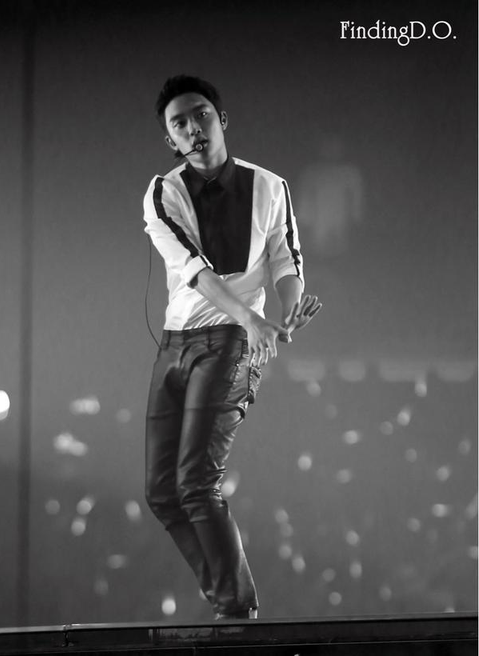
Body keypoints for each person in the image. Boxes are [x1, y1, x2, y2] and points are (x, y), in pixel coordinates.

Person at [143, 75, 321, 621]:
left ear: (221, 120)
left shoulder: (270, 186)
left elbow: (286, 259)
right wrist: (255, 318)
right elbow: (194, 270)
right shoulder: (163, 193)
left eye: (201, 115)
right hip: (176, 343)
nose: (193, 128)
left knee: (197, 482)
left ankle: (236, 610)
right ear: (171, 139)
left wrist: (286, 309)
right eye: (179, 123)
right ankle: (226, 595)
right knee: (162, 491)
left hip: (229, 344)